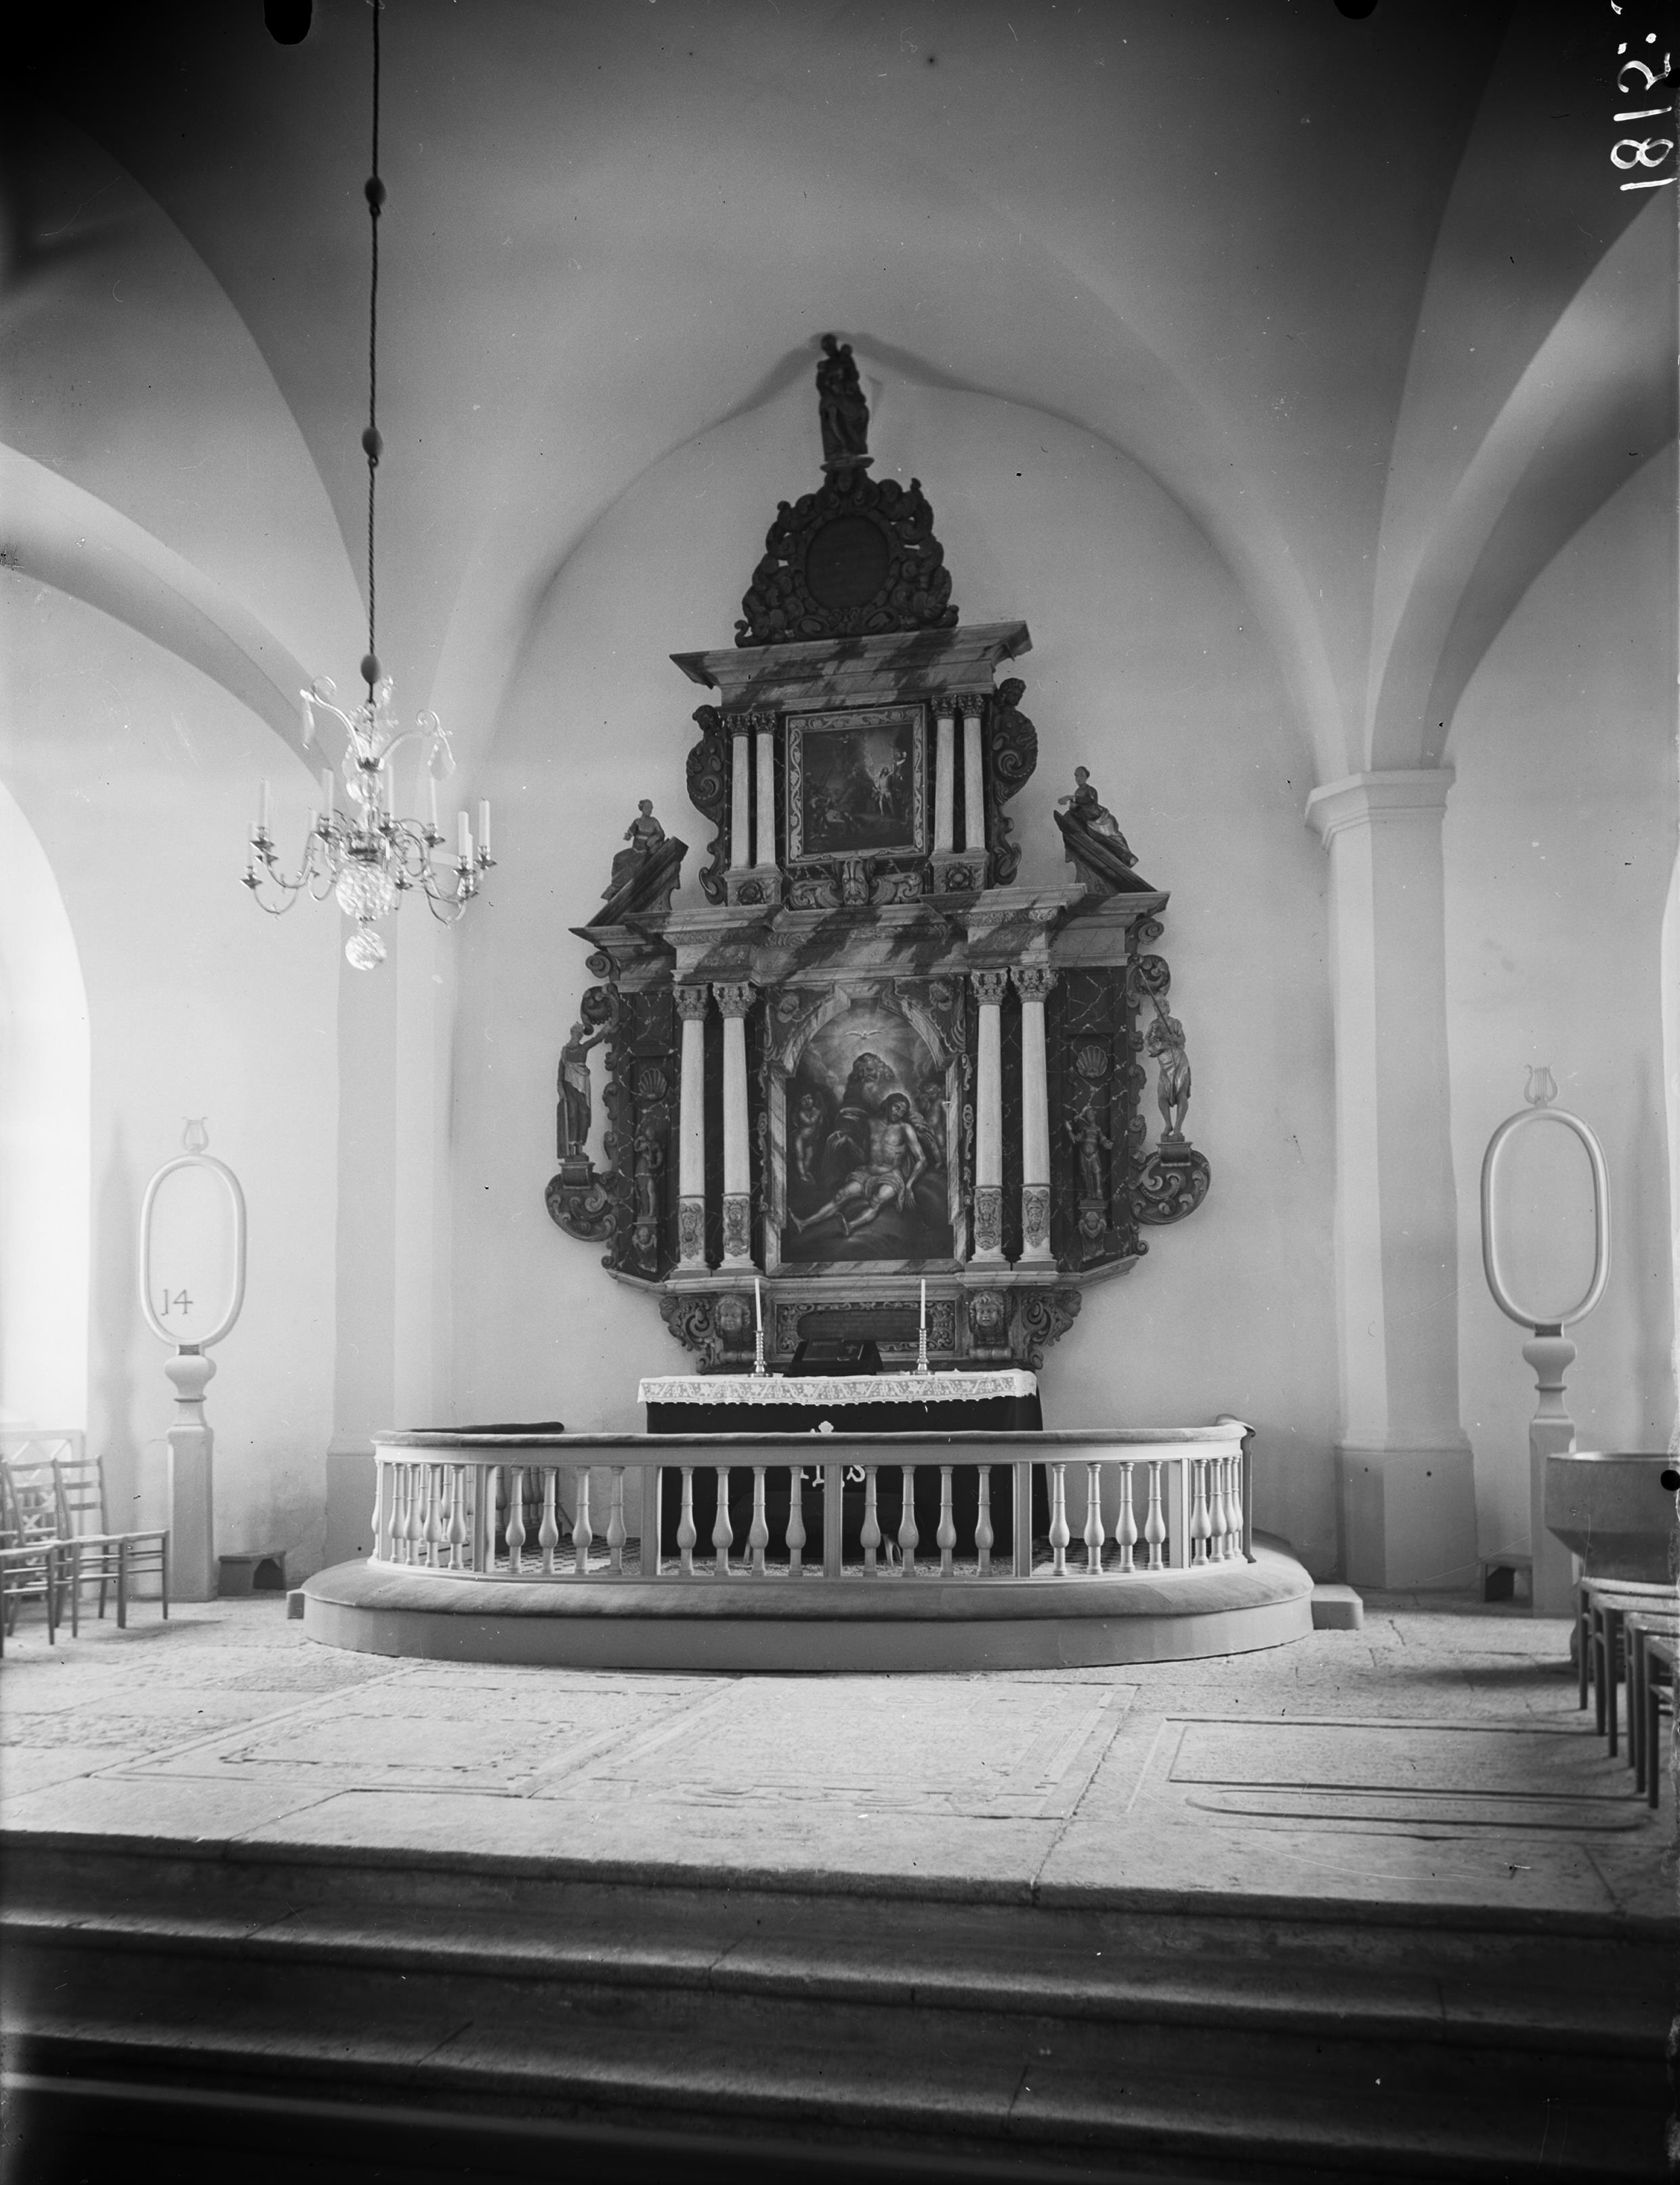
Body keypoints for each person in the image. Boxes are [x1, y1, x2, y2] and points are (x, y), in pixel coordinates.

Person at [793, 1089, 927, 1239]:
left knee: (876, 1201)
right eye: (897, 1107)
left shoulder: (906, 1129)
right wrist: (849, 1141)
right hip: (868, 1172)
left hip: (891, 1175)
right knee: (841, 1195)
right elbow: (864, 1157)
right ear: (888, 1104)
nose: (899, 1113)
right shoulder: (871, 1123)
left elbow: (922, 1159)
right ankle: (803, 1223)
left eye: (903, 1111)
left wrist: (909, 1185)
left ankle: (850, 1226)